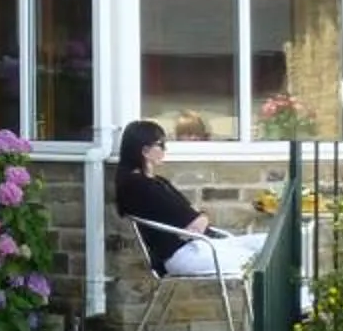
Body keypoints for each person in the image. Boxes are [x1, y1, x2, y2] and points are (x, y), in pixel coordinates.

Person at [114, 118, 266, 276]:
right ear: (145, 151)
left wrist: (199, 219)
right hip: (183, 254)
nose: (165, 149)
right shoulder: (142, 187)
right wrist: (201, 218)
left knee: (268, 243)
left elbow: (192, 217)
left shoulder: (157, 182)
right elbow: (195, 223)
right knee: (257, 261)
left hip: (201, 244)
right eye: (161, 144)